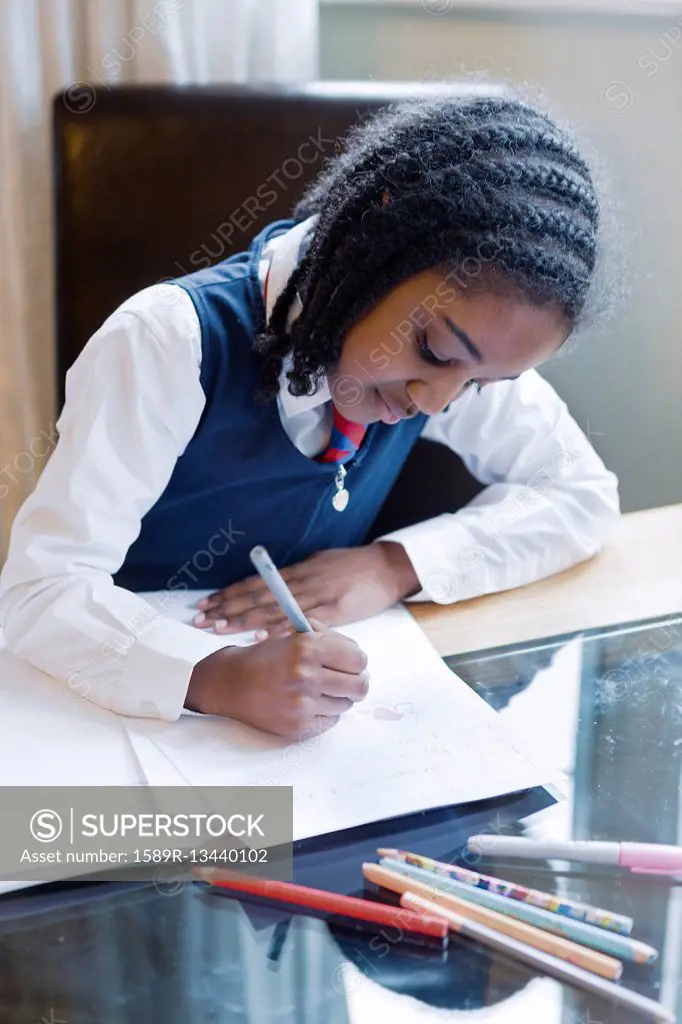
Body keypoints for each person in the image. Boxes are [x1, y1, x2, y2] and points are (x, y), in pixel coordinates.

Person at [0, 93, 619, 739]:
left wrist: (396, 564)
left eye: (483, 383)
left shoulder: (462, 356)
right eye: (432, 351)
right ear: (379, 246)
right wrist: (215, 675)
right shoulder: (168, 341)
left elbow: (579, 492)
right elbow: (43, 591)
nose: (434, 401)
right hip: (121, 711)